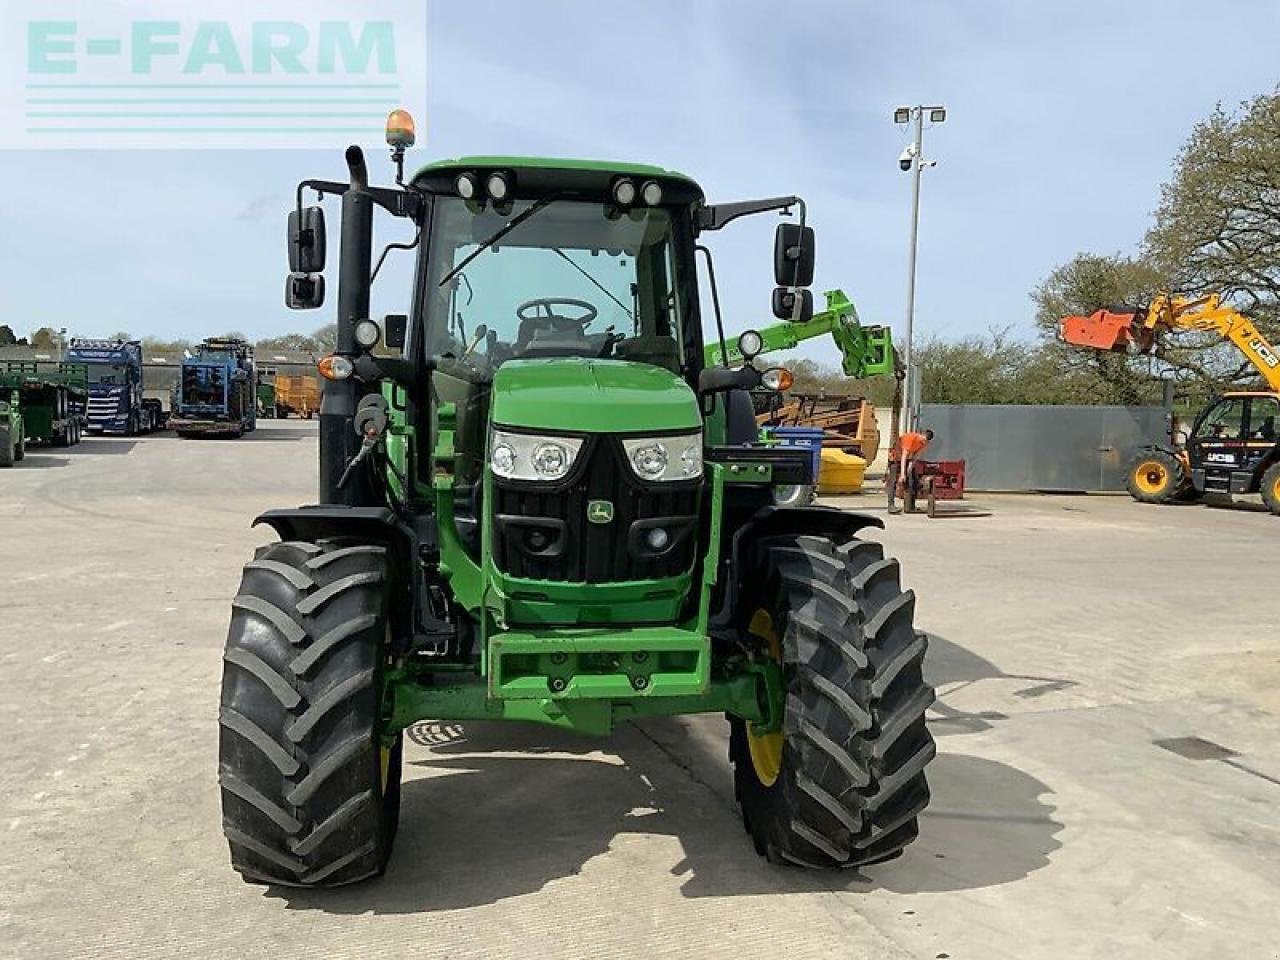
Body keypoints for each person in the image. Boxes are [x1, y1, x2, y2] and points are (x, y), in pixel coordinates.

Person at [887, 428, 933, 514]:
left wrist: (908, 470)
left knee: (913, 482)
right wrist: (902, 474)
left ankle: (911, 506)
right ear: (920, 435)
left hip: (907, 459)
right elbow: (904, 456)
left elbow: (915, 457)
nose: (923, 442)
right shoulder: (910, 438)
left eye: (926, 441)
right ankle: (891, 506)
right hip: (895, 458)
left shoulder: (925, 443)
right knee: (893, 481)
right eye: (923, 440)